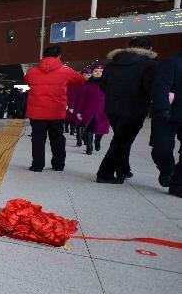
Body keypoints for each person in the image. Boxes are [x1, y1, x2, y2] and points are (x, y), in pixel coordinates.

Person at [96, 37, 158, 184]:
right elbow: (150, 89)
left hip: (112, 108)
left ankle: (123, 169)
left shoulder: (112, 64)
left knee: (121, 138)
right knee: (121, 141)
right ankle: (105, 173)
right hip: (134, 108)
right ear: (149, 48)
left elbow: (103, 86)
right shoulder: (150, 64)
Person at [24, 45, 86, 172]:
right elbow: (81, 80)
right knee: (57, 138)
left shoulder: (32, 71)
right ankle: (58, 165)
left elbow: (28, 81)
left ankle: (37, 165)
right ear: (59, 56)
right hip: (56, 112)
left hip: (37, 113)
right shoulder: (66, 71)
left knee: (37, 139)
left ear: (44, 57)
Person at [150, 49, 182, 197]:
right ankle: (168, 170)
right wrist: (162, 108)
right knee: (161, 148)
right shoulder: (171, 62)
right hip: (167, 114)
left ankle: (177, 184)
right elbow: (160, 87)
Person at [75, 65, 109, 155]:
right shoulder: (87, 84)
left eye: (101, 71)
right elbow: (82, 99)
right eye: (96, 71)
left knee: (101, 129)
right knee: (89, 129)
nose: (98, 73)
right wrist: (79, 111)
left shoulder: (108, 84)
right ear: (92, 73)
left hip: (103, 111)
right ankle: (89, 147)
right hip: (89, 111)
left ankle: (97, 141)